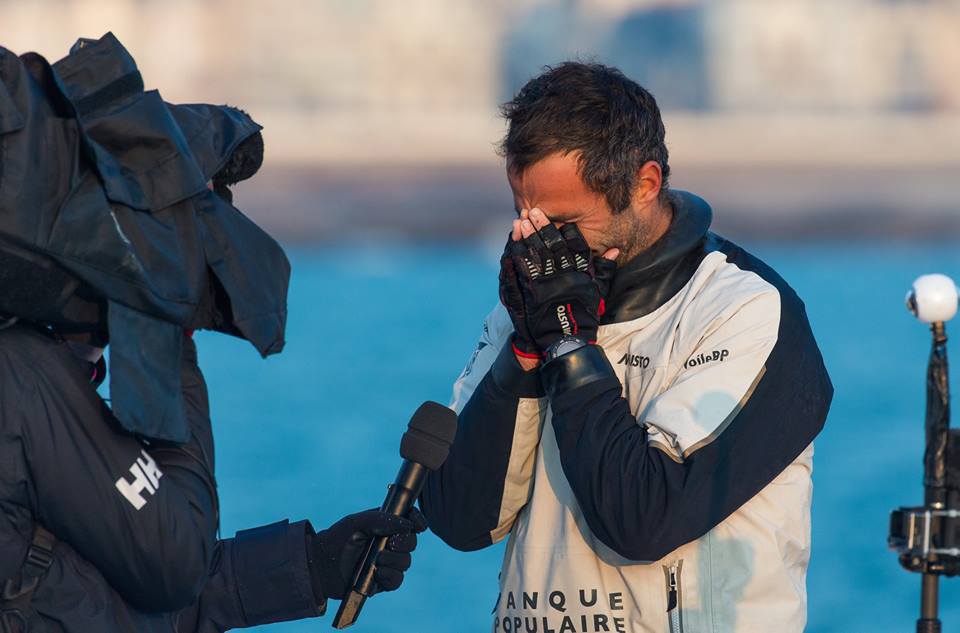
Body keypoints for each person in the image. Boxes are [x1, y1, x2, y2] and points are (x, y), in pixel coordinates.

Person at [0, 34, 424, 632]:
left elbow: (88, 589)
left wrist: (309, 566)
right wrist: (165, 334)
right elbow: (172, 558)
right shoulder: (24, 374)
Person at [420, 62, 833, 633]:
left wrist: (568, 345)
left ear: (644, 185)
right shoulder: (530, 310)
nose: (537, 242)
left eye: (562, 222)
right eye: (525, 216)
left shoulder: (742, 309)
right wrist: (524, 354)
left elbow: (643, 519)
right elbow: (460, 519)